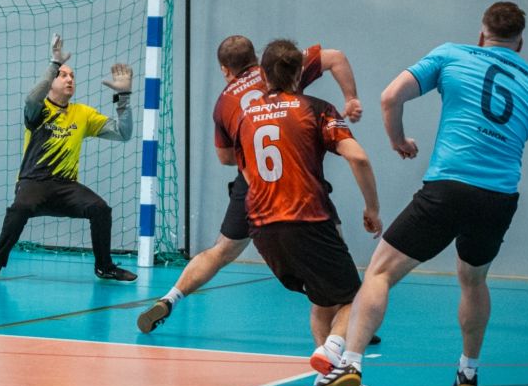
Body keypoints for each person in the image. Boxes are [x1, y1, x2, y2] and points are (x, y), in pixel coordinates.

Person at [306, 2, 528, 386]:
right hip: (498, 199)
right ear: (520, 42)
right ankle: (468, 370)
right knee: (473, 279)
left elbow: (390, 97)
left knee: (380, 272)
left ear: (482, 34)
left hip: (448, 188)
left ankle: (350, 363)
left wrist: (398, 140)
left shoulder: (453, 54)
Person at [137, 36, 381, 345]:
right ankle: (342, 320)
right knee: (327, 239)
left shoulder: (225, 102)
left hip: (254, 183)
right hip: (296, 178)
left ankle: (170, 298)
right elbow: (336, 57)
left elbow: (226, 158)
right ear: (258, 62)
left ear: (225, 70)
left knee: (221, 251)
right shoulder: (286, 66)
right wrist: (351, 98)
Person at [233, 39, 382, 386]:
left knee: (322, 298)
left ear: (262, 74)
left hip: (262, 228)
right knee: (358, 298)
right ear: (300, 72)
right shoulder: (315, 109)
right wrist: (372, 208)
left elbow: (247, 172)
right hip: (306, 219)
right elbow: (359, 158)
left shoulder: (245, 117)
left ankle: (326, 378)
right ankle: (332, 351)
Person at [0, 34, 137, 282]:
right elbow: (31, 98)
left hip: (66, 187)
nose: (70, 79)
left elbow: (123, 133)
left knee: (100, 209)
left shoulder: (82, 114)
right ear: (51, 81)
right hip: (33, 183)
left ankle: (104, 267)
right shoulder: (39, 110)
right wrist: (55, 63)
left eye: (72, 76)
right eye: (63, 75)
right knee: (19, 208)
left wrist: (123, 97)